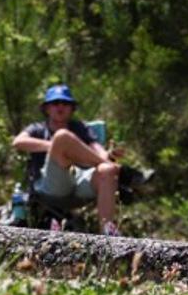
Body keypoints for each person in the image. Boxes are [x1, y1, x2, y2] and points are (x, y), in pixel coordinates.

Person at [11, 84, 124, 236]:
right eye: (55, 103)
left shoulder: (80, 128)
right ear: (47, 108)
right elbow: (18, 142)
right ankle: (121, 171)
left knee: (107, 169)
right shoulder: (37, 129)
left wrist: (110, 156)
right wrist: (56, 146)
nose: (60, 106)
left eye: (65, 103)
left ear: (72, 108)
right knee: (62, 137)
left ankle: (108, 232)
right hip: (50, 186)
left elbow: (99, 151)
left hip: (79, 182)